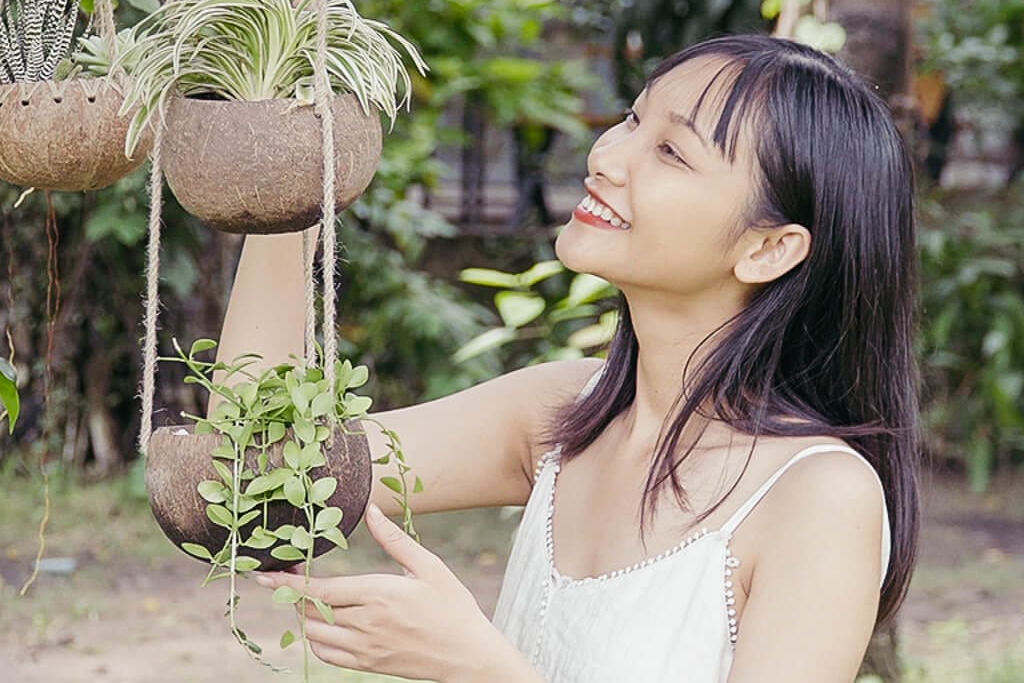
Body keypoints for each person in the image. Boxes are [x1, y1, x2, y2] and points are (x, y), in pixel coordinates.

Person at [218, 34, 919, 683]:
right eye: (634, 119)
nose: (608, 157)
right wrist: (293, 190)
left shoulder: (817, 497)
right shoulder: (560, 415)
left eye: (672, 153)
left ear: (769, 248)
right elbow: (256, 483)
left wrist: (479, 665)